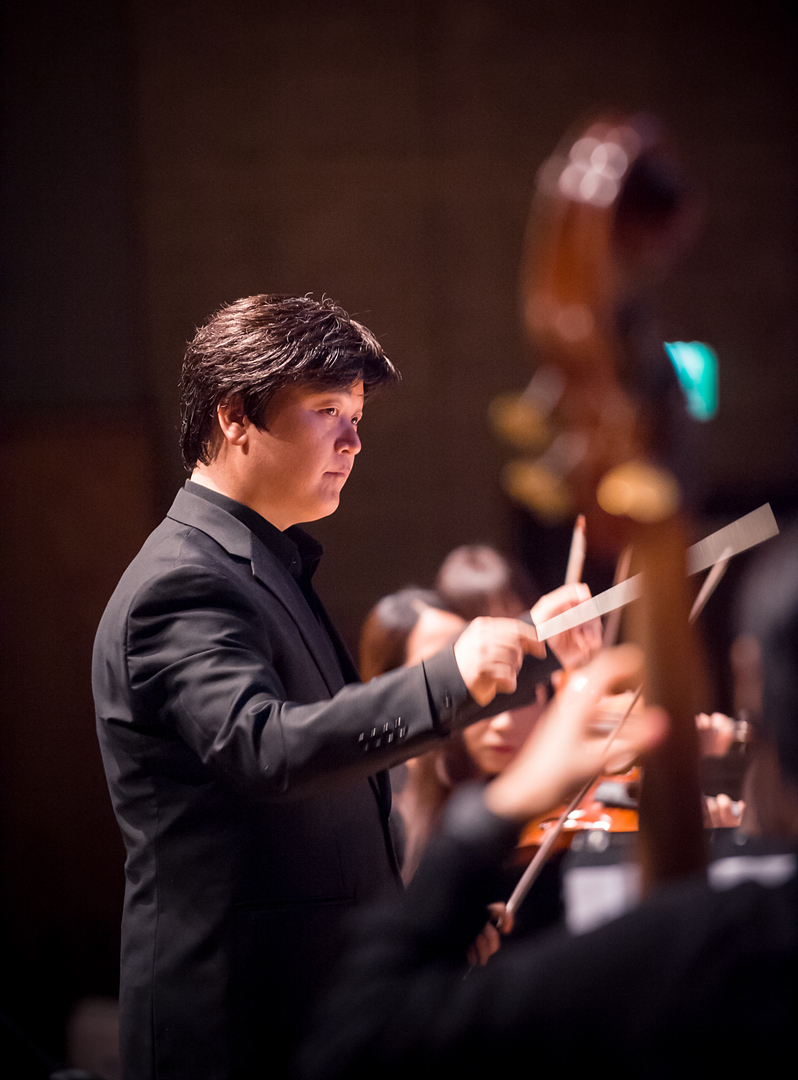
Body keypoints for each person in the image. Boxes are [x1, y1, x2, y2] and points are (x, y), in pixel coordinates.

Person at [92, 294, 590, 1080]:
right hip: (238, 1021)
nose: (354, 441)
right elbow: (268, 749)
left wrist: (421, 928)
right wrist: (451, 673)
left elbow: (337, 799)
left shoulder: (261, 562)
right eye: (328, 411)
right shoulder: (183, 580)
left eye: (356, 417)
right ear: (235, 415)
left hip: (306, 1003)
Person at [298, 527, 798, 1079]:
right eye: (480, 692)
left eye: (525, 690)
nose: (501, 718)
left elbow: (357, 1040)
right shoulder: (371, 818)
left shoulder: (717, 940)